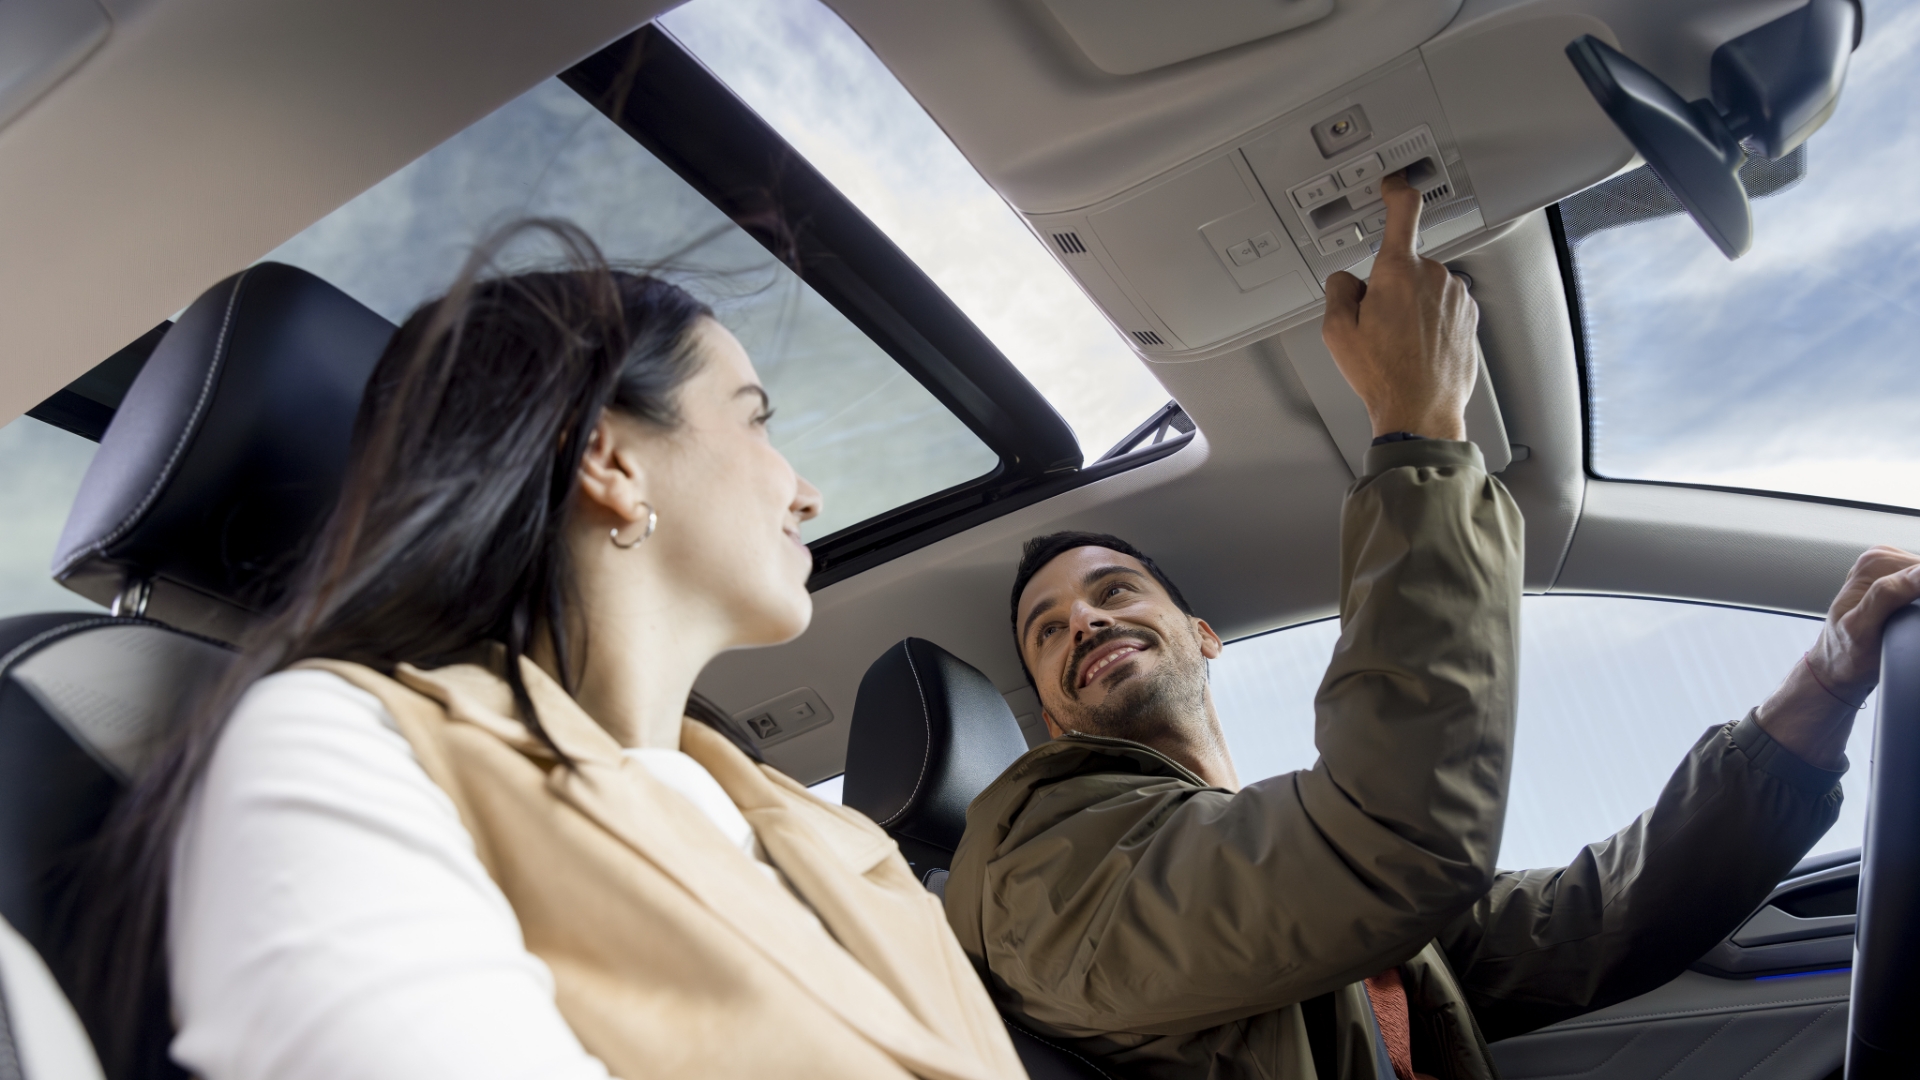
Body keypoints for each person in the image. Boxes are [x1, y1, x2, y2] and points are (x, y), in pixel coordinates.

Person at [944, 175, 1920, 1080]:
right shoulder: (1039, 873)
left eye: (1115, 590)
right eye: (1046, 628)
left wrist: (1823, 689)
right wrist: (1416, 418)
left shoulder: (1304, 874)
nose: (1081, 617)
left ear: (1203, 634)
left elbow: (1598, 922)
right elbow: (1392, 835)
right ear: (1053, 713)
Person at [65, 223, 1027, 1080]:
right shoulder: (346, 744)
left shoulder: (839, 838)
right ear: (609, 459)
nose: (805, 490)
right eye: (755, 418)